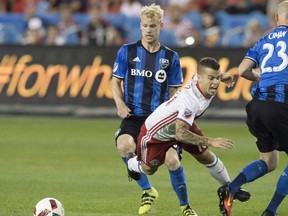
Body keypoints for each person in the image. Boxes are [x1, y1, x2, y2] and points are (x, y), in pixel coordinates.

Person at [126, 57, 251, 215]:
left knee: (205, 156)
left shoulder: (203, 82)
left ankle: (229, 188)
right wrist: (211, 141)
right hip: (155, 134)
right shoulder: (191, 100)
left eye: (217, 78)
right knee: (149, 169)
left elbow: (181, 129)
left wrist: (222, 76)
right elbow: (180, 134)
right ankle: (130, 161)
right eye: (211, 78)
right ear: (199, 78)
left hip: (183, 123)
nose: (215, 83)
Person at [217, 1, 288, 216]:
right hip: (280, 102)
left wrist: (261, 76)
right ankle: (271, 211)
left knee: (269, 161)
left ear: (276, 18)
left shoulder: (263, 40)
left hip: (257, 105)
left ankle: (231, 188)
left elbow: (243, 70)